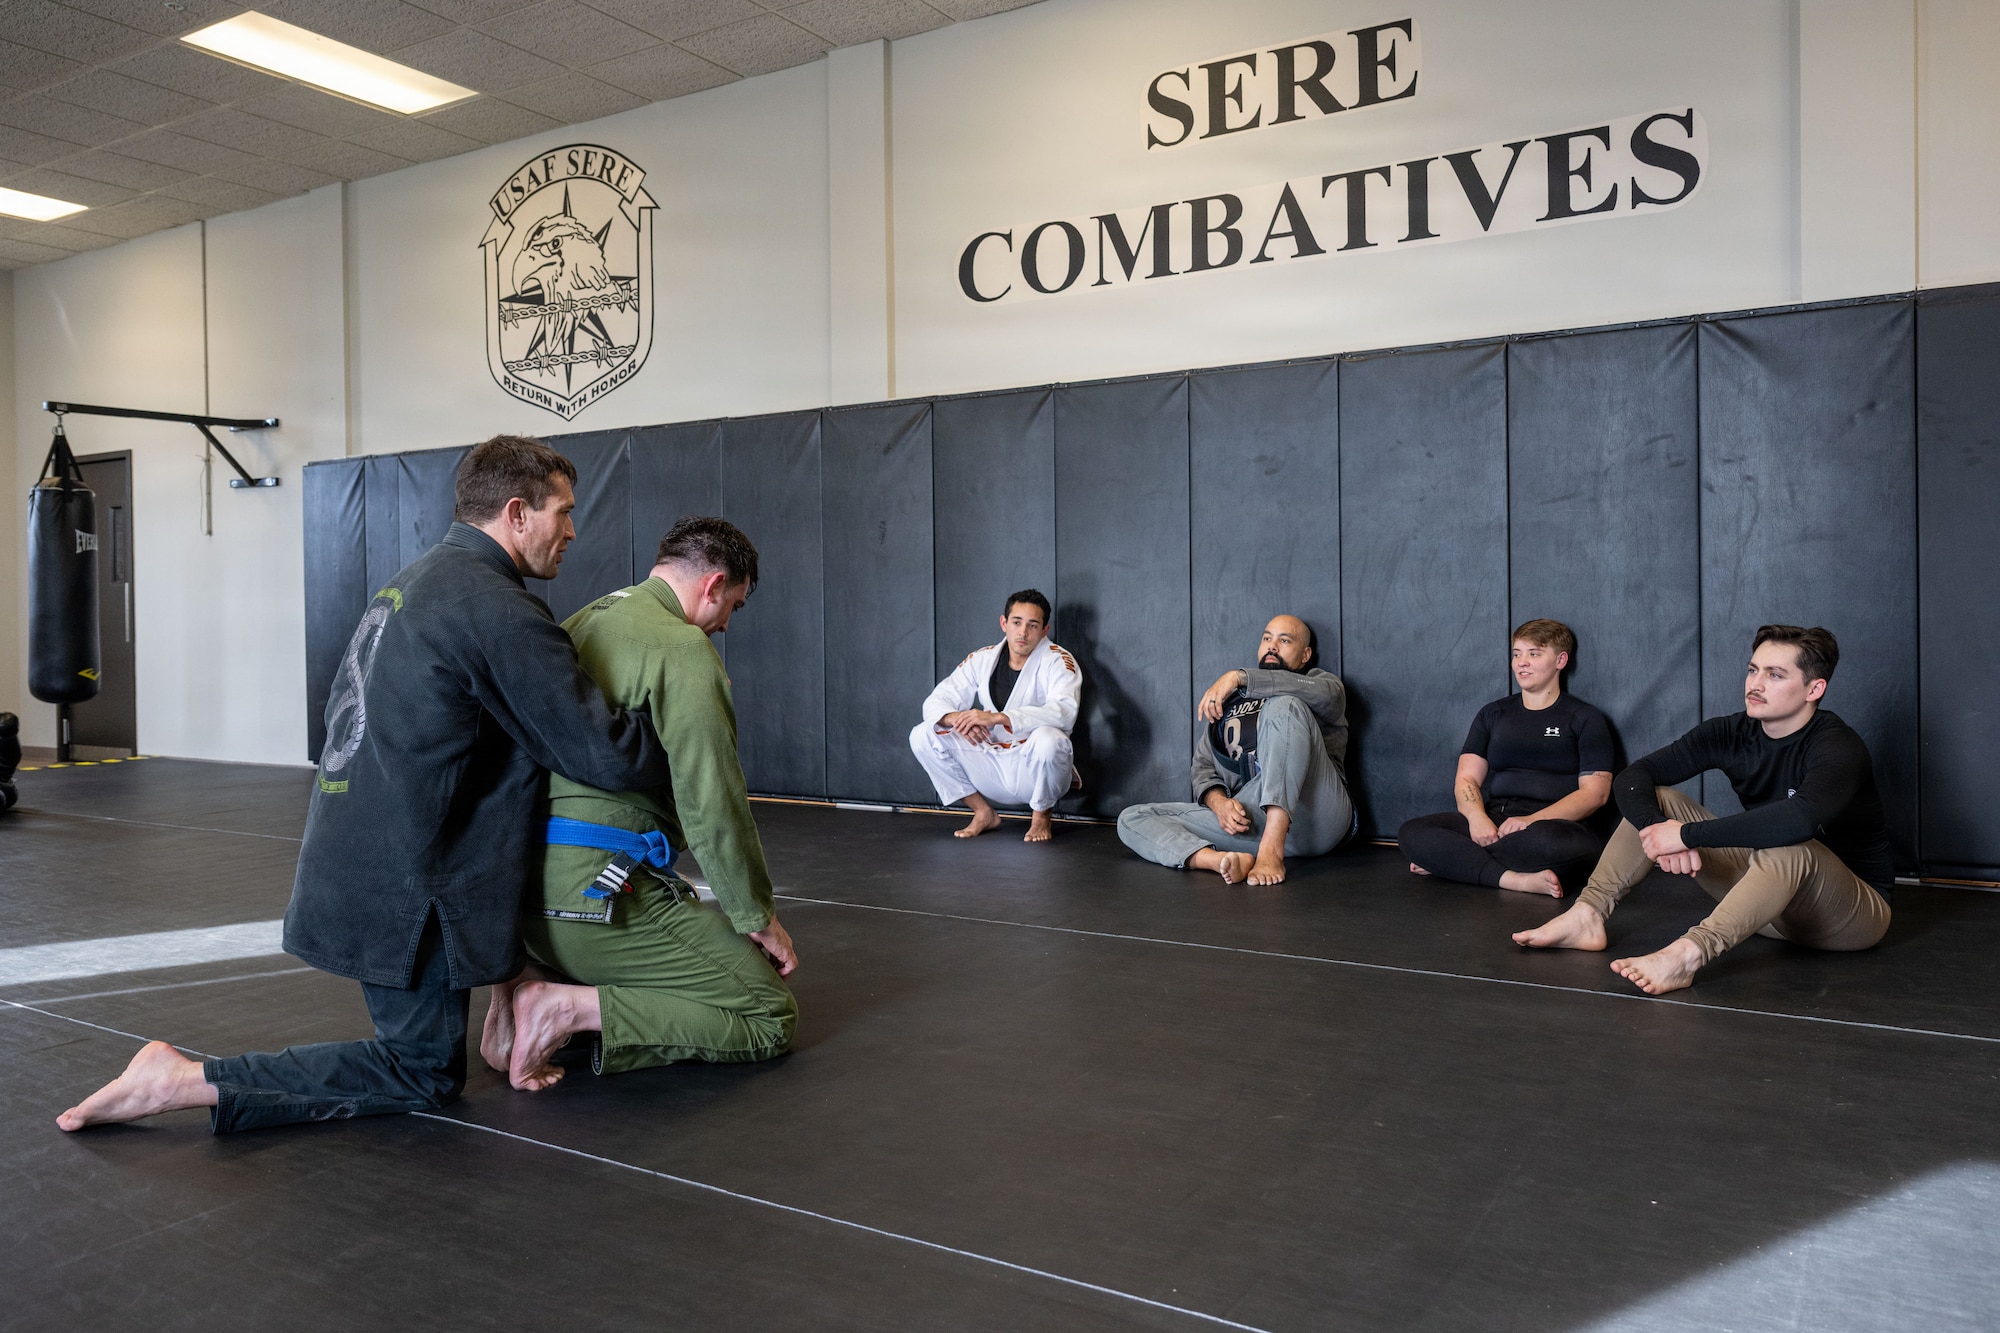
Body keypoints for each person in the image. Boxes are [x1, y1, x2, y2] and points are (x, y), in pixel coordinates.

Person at [57, 435, 670, 1132]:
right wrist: (694, 744)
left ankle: (513, 1008)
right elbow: (603, 749)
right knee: (423, 1070)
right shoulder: (499, 610)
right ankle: (182, 1080)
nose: (571, 529)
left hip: (355, 860)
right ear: (516, 512)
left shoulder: (416, 580)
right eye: (561, 511)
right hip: (402, 891)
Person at [481, 516, 799, 1091]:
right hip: (593, 897)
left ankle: (521, 984)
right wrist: (757, 917)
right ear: (713, 584)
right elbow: (712, 801)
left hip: (519, 893)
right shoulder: (681, 648)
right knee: (767, 1014)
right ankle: (563, 1009)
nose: (726, 623)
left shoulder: (579, 622)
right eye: (735, 605)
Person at [1513, 624, 1894, 994]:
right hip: (1764, 907)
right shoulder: (1731, 733)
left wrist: (1685, 836)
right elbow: (1635, 776)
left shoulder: (1837, 746)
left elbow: (1800, 819)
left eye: (1775, 675)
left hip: (1849, 916)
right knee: (1659, 799)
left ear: (1815, 688)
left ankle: (1687, 956)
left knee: (1794, 845)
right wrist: (1658, 830)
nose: (1755, 684)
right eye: (1753, 670)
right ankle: (1587, 915)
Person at [1117, 614, 1352, 885]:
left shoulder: (1320, 685)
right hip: (1251, 818)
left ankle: (1271, 850)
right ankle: (1218, 861)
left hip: (1318, 812)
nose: (1272, 646)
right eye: (1266, 638)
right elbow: (1203, 768)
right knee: (1131, 818)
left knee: (1284, 705)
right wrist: (1219, 804)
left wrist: (1238, 677)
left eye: (1284, 640)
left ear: (1305, 654)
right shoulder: (1230, 702)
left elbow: (1327, 696)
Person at [1398, 619, 1613, 897]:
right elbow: (1466, 778)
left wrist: (1531, 820)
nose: (1522, 662)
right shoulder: (1493, 714)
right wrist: (1477, 819)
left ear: (1560, 660)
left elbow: (1595, 794)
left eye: (1534, 654)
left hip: (1554, 827)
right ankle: (1513, 879)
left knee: (1556, 845)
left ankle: (1456, 862)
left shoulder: (1584, 718)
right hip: (1495, 821)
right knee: (1413, 833)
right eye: (1516, 653)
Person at [910, 590, 1081, 842]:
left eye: (1032, 625)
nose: (1023, 632)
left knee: (1050, 739)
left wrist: (1000, 718)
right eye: (1016, 622)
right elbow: (936, 700)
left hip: (1032, 771)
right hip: (990, 762)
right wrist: (959, 719)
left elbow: (1064, 712)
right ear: (1004, 623)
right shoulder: (982, 658)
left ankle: (1041, 817)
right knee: (923, 733)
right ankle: (982, 812)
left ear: (1045, 630)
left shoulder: (1058, 660)